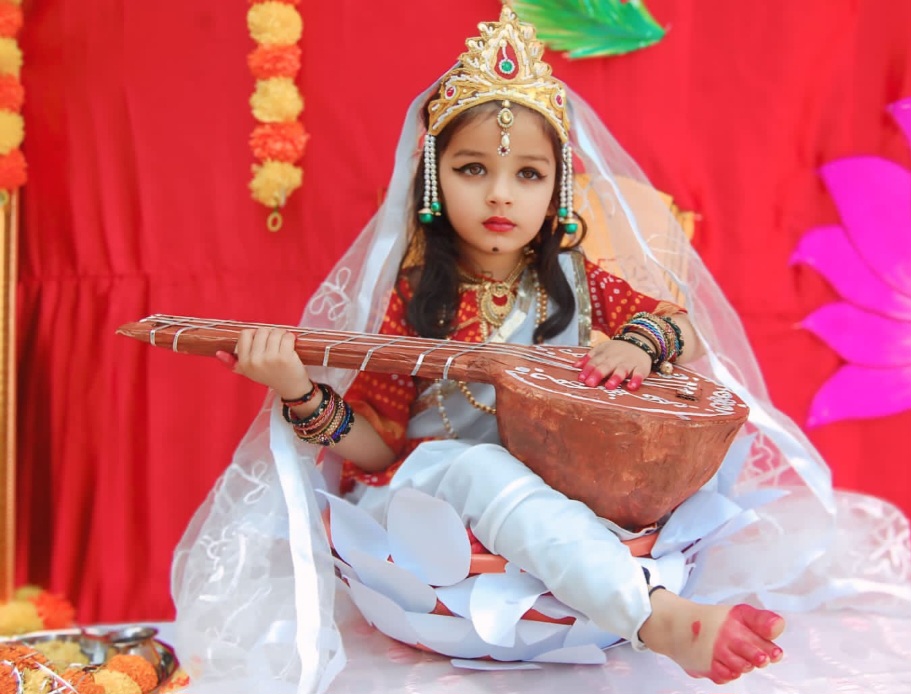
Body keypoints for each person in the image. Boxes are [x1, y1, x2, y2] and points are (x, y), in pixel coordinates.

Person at [171, 6, 911, 694]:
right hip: (431, 505)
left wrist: (639, 343)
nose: (501, 195)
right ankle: (655, 618)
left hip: (558, 503)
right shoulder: (413, 300)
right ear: (432, 180)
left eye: (527, 174)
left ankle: (620, 593)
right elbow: (379, 449)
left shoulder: (577, 285)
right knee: (474, 463)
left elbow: (683, 329)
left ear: (558, 189)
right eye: (473, 169)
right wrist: (298, 391)